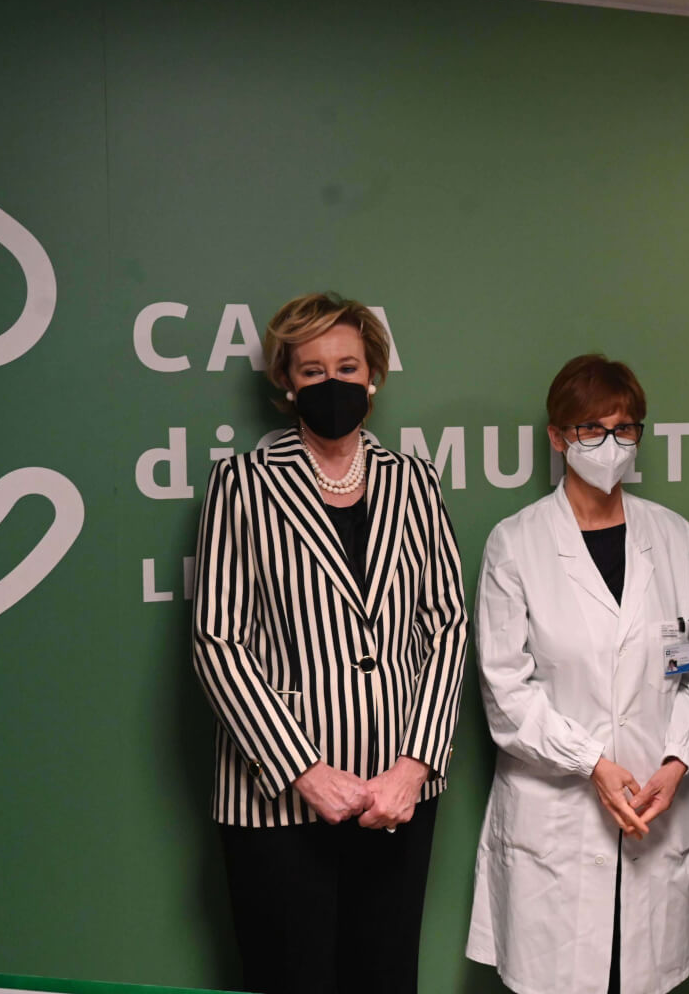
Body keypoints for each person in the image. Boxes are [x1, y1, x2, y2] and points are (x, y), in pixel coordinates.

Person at [190, 292, 469, 994]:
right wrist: (306, 772)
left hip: (395, 799)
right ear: (286, 382)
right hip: (279, 801)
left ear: (373, 375)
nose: (332, 383)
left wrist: (412, 768)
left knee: (385, 978)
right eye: (312, 371)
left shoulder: (414, 482)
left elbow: (446, 625)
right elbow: (218, 641)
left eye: (347, 367)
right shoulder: (243, 484)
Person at [467, 354, 689, 994]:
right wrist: (593, 764)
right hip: (559, 813)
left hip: (656, 803)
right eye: (591, 429)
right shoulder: (516, 543)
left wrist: (676, 760)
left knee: (644, 972)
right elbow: (506, 688)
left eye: (624, 428)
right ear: (558, 437)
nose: (610, 444)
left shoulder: (671, 538)